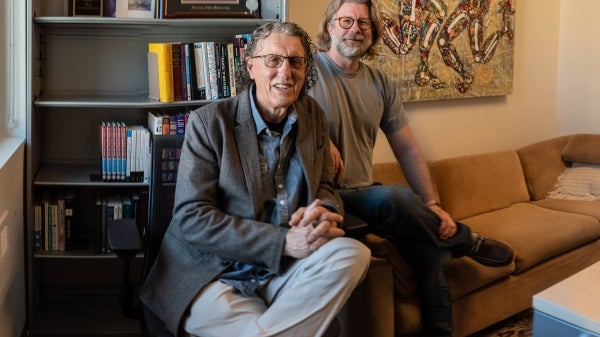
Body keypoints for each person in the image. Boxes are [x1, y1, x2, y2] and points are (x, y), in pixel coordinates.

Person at [140, 21, 371, 337]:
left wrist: (322, 213)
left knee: (354, 254)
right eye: (273, 60)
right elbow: (192, 219)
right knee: (260, 331)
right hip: (214, 272)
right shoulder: (209, 123)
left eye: (295, 61)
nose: (285, 72)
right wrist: (283, 241)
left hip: (286, 268)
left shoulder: (313, 116)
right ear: (250, 66)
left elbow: (325, 187)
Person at [308, 1, 515, 336]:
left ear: (373, 31)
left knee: (432, 253)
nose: (354, 29)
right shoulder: (307, 72)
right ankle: (466, 240)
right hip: (328, 197)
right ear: (329, 26)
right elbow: (277, 109)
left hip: (364, 191)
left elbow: (405, 147)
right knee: (392, 196)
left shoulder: (380, 82)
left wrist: (432, 204)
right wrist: (317, 132)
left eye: (364, 23)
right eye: (345, 20)